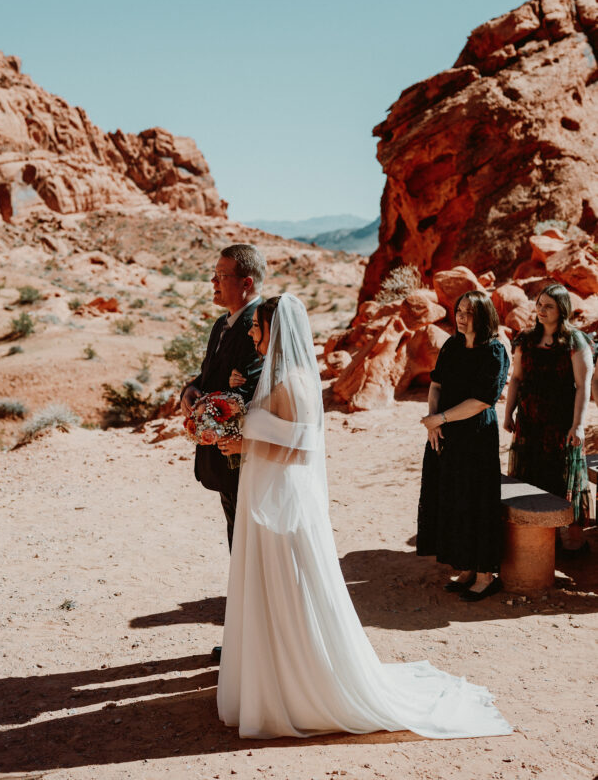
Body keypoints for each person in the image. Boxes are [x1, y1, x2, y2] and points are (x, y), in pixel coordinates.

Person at [215, 294, 512, 740]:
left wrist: (246, 445)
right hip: (267, 497)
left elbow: (301, 448)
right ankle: (269, 675)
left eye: (258, 326)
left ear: (275, 330)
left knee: (291, 588)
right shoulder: (275, 377)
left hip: (283, 503)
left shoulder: (294, 381)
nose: (253, 333)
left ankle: (300, 685)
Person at [417, 291, 509, 601]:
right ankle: (467, 567)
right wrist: (434, 420)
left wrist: (441, 418)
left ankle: (486, 575)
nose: (462, 316)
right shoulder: (452, 345)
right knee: (454, 499)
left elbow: (483, 401)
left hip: (476, 437)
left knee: (477, 501)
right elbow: (437, 384)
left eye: (469, 312)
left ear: (483, 317)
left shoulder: (495, 351)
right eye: (459, 310)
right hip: (446, 434)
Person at [180, 243, 266, 551]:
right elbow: (208, 376)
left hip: (245, 454)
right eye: (214, 275)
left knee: (249, 534)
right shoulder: (221, 324)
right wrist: (189, 390)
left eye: (220, 275)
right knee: (235, 527)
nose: (213, 282)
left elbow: (249, 392)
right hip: (223, 453)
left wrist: (208, 406)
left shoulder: (261, 325)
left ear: (247, 283)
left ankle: (251, 598)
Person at [503, 282, 593, 555]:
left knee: (567, 475)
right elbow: (516, 378)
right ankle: (545, 540)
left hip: (562, 422)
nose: (541, 310)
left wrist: (577, 425)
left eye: (548, 306)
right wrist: (508, 413)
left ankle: (574, 542)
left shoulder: (576, 341)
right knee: (533, 475)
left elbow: (583, 386)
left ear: (561, 309)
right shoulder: (526, 339)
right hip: (530, 421)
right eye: (539, 305)